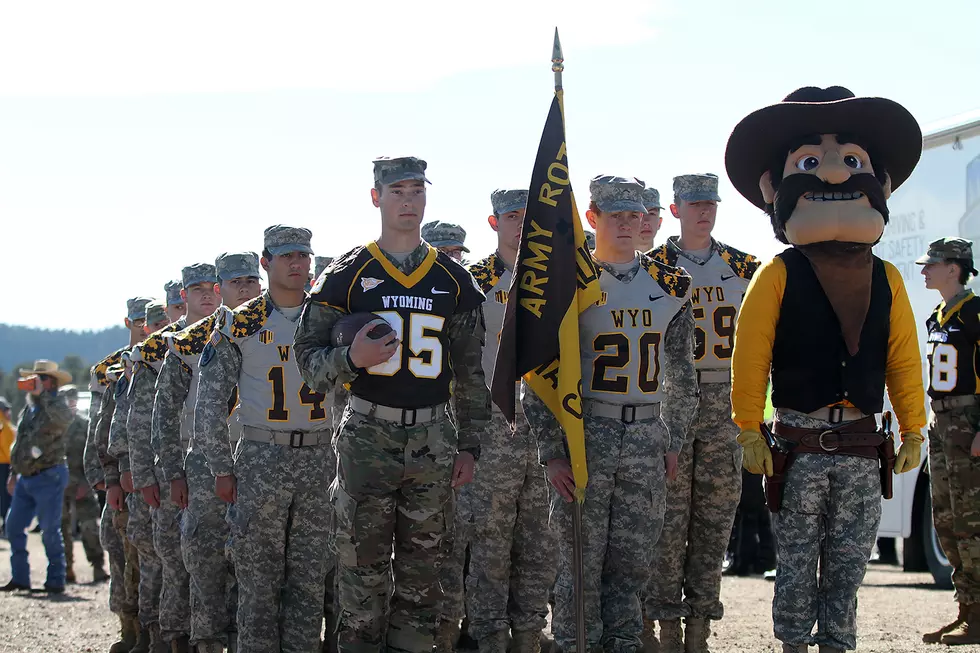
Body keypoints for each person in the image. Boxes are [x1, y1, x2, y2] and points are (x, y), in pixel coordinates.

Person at [727, 86, 926, 653]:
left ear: (880, 184)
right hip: (799, 444)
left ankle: (838, 645)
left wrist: (915, 426)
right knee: (793, 563)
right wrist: (747, 426)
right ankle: (793, 644)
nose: (835, 174)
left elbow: (902, 359)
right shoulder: (778, 274)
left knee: (847, 565)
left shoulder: (887, 277)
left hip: (864, 447)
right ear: (776, 188)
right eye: (810, 162)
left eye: (853, 161)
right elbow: (752, 354)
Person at [295, 155, 488, 653]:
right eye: (397, 190)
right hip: (367, 435)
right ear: (376, 197)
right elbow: (308, 363)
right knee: (361, 578)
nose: (409, 199)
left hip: (433, 437)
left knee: (424, 582)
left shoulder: (454, 279)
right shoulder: (346, 274)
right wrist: (350, 358)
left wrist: (470, 445)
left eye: (417, 189)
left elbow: (470, 373)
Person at [524, 175, 698, 653]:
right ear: (592, 218)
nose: (626, 223)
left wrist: (675, 438)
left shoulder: (672, 285)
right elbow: (538, 376)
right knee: (579, 564)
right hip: (588, 435)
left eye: (635, 215)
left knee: (632, 566)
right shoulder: (567, 283)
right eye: (615, 214)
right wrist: (551, 452)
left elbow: (683, 374)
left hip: (646, 435)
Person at [196, 225, 332, 653]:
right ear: (266, 261)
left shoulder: (327, 315)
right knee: (257, 581)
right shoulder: (240, 322)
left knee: (310, 581)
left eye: (304, 256)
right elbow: (210, 404)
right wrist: (221, 467)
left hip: (319, 459)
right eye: (287, 255)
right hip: (261, 457)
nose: (297, 264)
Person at [644, 173, 760, 652]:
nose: (703, 210)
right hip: (668, 400)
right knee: (668, 521)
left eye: (710, 202)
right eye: (693, 203)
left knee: (715, 519)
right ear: (674, 209)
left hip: (723, 399)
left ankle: (699, 629)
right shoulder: (651, 266)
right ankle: (666, 627)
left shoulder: (744, 267)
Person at [445, 188, 557, 653]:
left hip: (546, 421)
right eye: (512, 216)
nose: (521, 224)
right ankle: (489, 636)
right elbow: (459, 362)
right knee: (488, 538)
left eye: (529, 216)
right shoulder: (470, 283)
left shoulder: (556, 280)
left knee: (541, 538)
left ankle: (529, 635)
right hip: (492, 421)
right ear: (494, 224)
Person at [154, 252, 262, 653]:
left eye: (251, 281)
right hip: (203, 466)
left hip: (259, 458)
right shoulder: (188, 343)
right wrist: (172, 473)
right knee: (204, 560)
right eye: (236, 282)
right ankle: (204, 642)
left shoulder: (279, 326)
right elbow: (165, 413)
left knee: (252, 562)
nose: (245, 289)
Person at [132, 292, 209, 653]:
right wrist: (143, 474)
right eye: (196, 290)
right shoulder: (157, 350)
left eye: (212, 286)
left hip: (222, 459)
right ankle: (170, 640)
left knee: (213, 563)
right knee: (173, 560)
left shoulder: (234, 331)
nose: (207, 295)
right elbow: (142, 419)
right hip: (172, 462)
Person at [916, 238, 980, 645]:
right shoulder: (939, 314)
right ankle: (967, 610)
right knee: (946, 519)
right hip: (941, 423)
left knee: (973, 520)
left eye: (932, 265)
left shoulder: (975, 312)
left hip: (968, 420)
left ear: (953, 268)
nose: (924, 271)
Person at [86, 297, 150, 652]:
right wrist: (100, 474)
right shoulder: (108, 368)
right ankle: (128, 627)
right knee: (119, 550)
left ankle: (142, 630)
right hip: (119, 473)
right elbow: (101, 422)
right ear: (129, 322)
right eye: (139, 320)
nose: (145, 326)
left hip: (144, 473)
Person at [109, 300, 173, 652]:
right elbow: (121, 424)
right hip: (149, 475)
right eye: (144, 321)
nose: (155, 325)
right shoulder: (134, 363)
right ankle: (141, 635)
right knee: (142, 560)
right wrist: (118, 472)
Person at [1, 360, 74, 593]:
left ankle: (56, 580)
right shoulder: (28, 408)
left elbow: (64, 420)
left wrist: (43, 396)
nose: (35, 382)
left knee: (50, 529)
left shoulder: (57, 403)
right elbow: (20, 442)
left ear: (51, 382)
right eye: (35, 378)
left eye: (40, 378)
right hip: (25, 477)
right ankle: (20, 578)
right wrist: (13, 473)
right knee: (13, 527)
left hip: (49, 474)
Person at [60, 384, 107, 584]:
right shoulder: (54, 426)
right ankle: (66, 569)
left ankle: (97, 566)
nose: (69, 403)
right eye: (65, 399)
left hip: (82, 484)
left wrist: (87, 482)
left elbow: (93, 457)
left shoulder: (85, 425)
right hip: (58, 484)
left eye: (72, 399)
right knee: (61, 528)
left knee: (89, 526)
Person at [635, 186, 664, 253]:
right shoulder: (610, 261)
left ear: (659, 223)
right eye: (640, 214)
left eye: (652, 214)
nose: (646, 221)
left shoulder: (671, 262)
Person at [0, 396, 14, 535]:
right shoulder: (4, 425)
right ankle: (6, 526)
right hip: (4, 465)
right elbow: (8, 448)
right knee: (5, 497)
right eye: (6, 409)